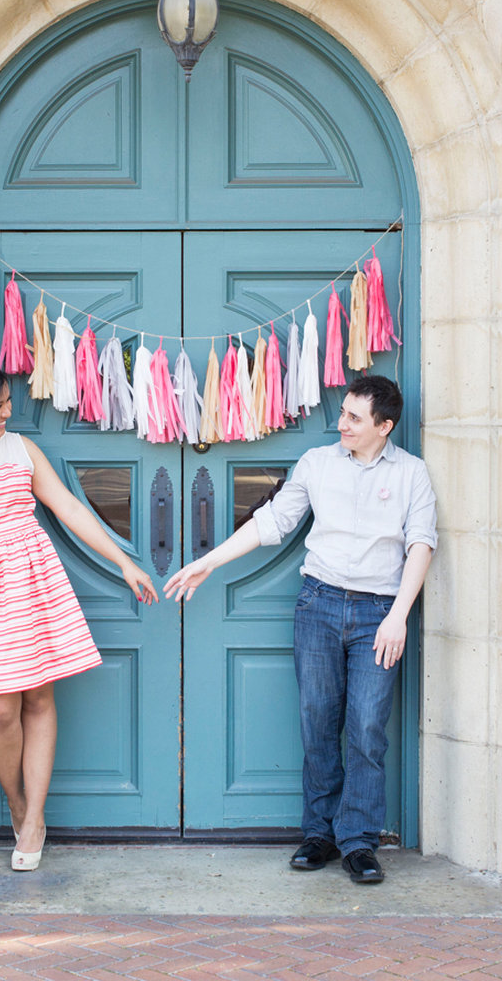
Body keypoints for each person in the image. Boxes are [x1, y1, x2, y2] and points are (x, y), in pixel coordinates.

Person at [165, 375, 436, 884]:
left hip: (380, 612)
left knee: (367, 727)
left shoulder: (412, 474)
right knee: (317, 721)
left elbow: (420, 543)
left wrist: (399, 615)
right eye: (343, 413)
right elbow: (273, 523)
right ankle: (320, 834)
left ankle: (358, 840)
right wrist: (209, 562)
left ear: (385, 426)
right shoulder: (317, 463)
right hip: (319, 604)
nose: (343, 424)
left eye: (355, 418)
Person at [0, 359, 158, 871]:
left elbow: (68, 507)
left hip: (30, 581)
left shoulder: (21, 449)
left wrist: (124, 562)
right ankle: (17, 803)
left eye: (6, 403)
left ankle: (34, 818)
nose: (7, 413)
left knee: (38, 697)